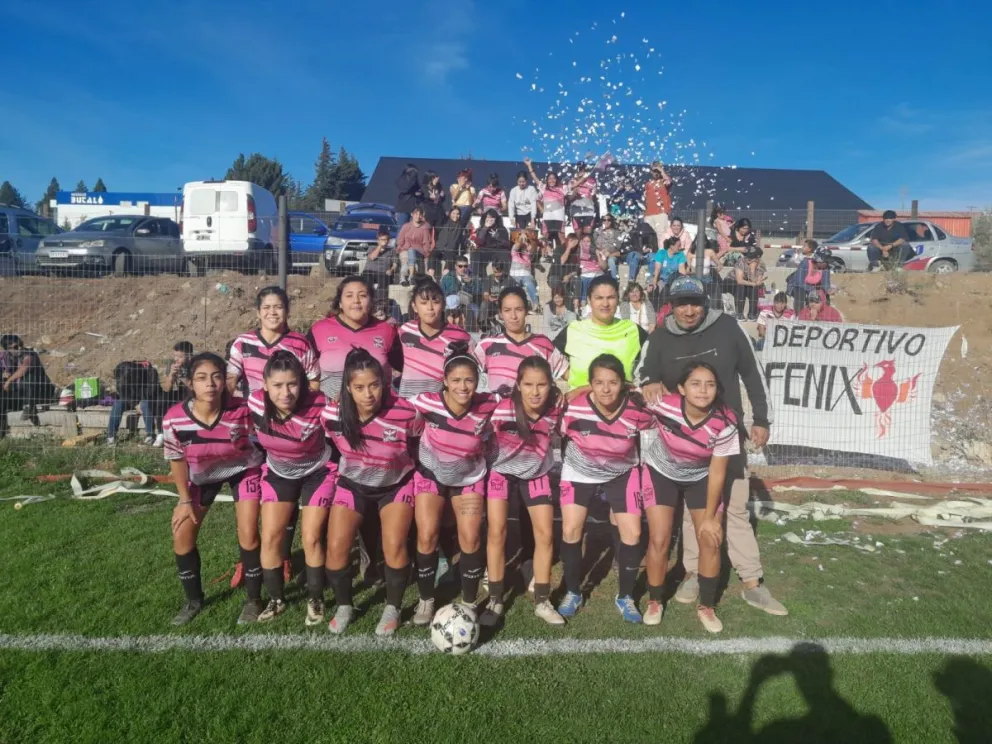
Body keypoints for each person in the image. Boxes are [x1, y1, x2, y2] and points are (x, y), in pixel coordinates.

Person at [638, 275, 787, 617]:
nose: (689, 311)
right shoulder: (659, 337)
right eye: (681, 304)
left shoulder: (728, 328)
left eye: (695, 303)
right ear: (670, 307)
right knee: (695, 516)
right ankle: (693, 572)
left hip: (726, 436)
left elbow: (752, 372)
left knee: (734, 509)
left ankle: (752, 582)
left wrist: (761, 419)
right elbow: (641, 373)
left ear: (705, 303)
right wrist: (649, 382)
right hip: (684, 445)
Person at [322, 349, 422, 636]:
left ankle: (393, 607)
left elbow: (416, 442)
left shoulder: (406, 412)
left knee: (394, 546)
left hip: (395, 485)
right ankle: (345, 605)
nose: (368, 394)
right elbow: (330, 446)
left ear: (384, 382)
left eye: (374, 385)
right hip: (353, 485)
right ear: (348, 387)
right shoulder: (331, 414)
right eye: (359, 387)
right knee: (337, 549)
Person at [164, 353, 265, 625]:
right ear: (190, 383)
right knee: (181, 535)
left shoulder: (243, 409)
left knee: (248, 534)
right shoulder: (175, 418)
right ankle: (193, 600)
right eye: (201, 378)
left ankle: (254, 600)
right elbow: (176, 459)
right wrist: (184, 500)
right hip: (201, 476)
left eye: (216, 376)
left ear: (225, 381)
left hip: (243, 469)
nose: (209, 384)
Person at [557, 354, 656, 622]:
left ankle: (625, 596)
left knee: (633, 533)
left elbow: (659, 419)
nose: (605, 389)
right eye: (598, 382)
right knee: (570, 529)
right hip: (580, 470)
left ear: (622, 383)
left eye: (612, 382)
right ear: (589, 384)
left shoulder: (636, 409)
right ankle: (574, 591)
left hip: (622, 472)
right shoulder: (572, 407)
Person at [641, 362, 739, 633]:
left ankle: (707, 605)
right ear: (682, 388)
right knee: (659, 538)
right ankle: (655, 600)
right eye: (695, 383)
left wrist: (710, 518)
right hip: (661, 471)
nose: (703, 390)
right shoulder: (663, 404)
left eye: (710, 384)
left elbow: (718, 471)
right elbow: (615, 391)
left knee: (709, 539)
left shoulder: (726, 421)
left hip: (700, 477)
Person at [409, 342, 499, 625]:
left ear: (478, 381)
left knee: (471, 538)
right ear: (445, 381)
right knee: (426, 536)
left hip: (469, 479)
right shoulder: (425, 402)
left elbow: (520, 400)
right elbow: (396, 416)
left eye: (469, 380)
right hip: (431, 475)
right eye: (456, 380)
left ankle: (469, 602)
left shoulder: (488, 404)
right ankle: (426, 600)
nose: (463, 386)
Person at [247, 351, 335, 624]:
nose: (286, 392)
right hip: (278, 472)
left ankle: (316, 598)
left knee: (311, 537)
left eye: (292, 383)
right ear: (264, 385)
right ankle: (276, 599)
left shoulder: (320, 403)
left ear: (303, 383)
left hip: (317, 472)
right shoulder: (254, 403)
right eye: (277, 385)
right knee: (271, 536)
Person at [482, 357, 565, 626]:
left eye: (542, 384)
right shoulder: (499, 408)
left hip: (536, 473)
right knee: (497, 532)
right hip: (501, 473)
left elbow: (582, 393)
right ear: (518, 385)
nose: (535, 391)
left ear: (551, 385)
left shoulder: (556, 408)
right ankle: (495, 600)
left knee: (546, 536)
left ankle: (542, 600)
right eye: (528, 384)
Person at [306, 275, 403, 400]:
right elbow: (303, 370)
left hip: (377, 412)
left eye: (362, 295)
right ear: (340, 302)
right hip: (331, 412)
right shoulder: (320, 329)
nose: (356, 300)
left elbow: (407, 366)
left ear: (371, 301)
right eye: (349, 296)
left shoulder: (387, 331)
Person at [554, 274, 649, 395]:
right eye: (599, 298)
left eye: (611, 297)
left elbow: (655, 362)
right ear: (589, 300)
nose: (605, 304)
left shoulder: (632, 330)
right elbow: (548, 357)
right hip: (580, 406)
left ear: (618, 299)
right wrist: (569, 375)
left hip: (622, 405)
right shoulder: (573, 330)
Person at [227, 287, 319, 397]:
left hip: (289, 411)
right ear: (258, 313)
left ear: (287, 311)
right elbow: (231, 377)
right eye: (266, 307)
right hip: (251, 410)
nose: (272, 312)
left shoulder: (300, 344)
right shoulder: (243, 342)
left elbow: (314, 381)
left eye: (278, 307)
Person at [474, 286, 568, 393]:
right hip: (497, 409)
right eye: (507, 310)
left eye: (519, 309)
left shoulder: (543, 343)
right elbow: (465, 375)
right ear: (500, 313)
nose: (513, 316)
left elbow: (570, 376)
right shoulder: (487, 345)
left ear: (527, 311)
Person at [397, 277, 473, 397]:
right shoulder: (405, 331)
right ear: (414, 306)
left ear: (443, 304)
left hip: (440, 409)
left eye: (436, 302)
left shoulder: (460, 336)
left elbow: (474, 370)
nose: (430, 308)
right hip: (408, 407)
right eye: (423, 302)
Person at [0, 334, 57, 439]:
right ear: (7, 349)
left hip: (41, 391)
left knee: (28, 376)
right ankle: (1, 433)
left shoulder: (29, 354)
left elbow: (24, 368)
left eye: (21, 344)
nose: (20, 348)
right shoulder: (4, 357)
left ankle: (29, 407)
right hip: (22, 393)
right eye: (16, 347)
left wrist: (9, 381)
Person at [524, 158, 566, 253]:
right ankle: (544, 257)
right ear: (547, 180)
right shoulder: (544, 188)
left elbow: (575, 185)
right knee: (545, 238)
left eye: (554, 178)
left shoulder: (563, 188)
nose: (552, 180)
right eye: (549, 178)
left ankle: (561, 256)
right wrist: (529, 165)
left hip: (560, 218)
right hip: (547, 218)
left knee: (561, 238)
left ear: (557, 180)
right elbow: (535, 178)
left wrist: (584, 177)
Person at [396, 206, 435, 286]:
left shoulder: (424, 228)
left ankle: (409, 277)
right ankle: (405, 278)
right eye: (416, 214)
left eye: (419, 214)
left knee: (412, 255)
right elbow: (400, 239)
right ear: (412, 214)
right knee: (405, 258)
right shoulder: (406, 226)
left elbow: (426, 242)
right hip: (405, 249)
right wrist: (401, 248)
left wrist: (426, 254)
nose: (418, 216)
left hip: (418, 251)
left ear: (422, 216)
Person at [789, 244, 834, 311]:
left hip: (813, 287)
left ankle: (824, 314)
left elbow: (826, 283)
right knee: (800, 293)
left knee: (825, 296)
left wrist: (828, 290)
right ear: (819, 260)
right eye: (826, 261)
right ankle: (798, 315)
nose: (827, 263)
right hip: (798, 286)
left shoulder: (825, 268)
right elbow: (799, 282)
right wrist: (812, 290)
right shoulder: (805, 264)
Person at [362, 225, 399, 301]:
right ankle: (368, 299)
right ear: (378, 240)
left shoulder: (391, 250)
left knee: (384, 283)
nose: (384, 241)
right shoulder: (372, 248)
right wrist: (379, 247)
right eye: (382, 239)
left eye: (386, 239)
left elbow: (395, 264)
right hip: (370, 271)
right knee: (367, 282)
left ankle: (380, 302)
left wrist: (391, 270)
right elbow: (372, 257)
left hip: (383, 272)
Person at [478, 261, 517, 334]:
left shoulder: (510, 280)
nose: (497, 274)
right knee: (484, 304)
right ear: (492, 270)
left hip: (505, 305)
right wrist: (489, 298)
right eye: (495, 272)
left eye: (499, 272)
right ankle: (484, 327)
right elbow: (485, 294)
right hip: (492, 304)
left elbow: (514, 295)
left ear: (503, 270)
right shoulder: (488, 279)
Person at [647, 236, 689, 302]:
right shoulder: (661, 253)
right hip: (661, 279)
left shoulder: (680, 255)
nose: (680, 247)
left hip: (673, 280)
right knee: (655, 289)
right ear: (671, 246)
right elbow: (657, 269)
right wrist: (654, 282)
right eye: (678, 246)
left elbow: (682, 270)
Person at [643, 161, 673, 247]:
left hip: (661, 213)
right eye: (654, 171)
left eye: (658, 171)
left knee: (661, 236)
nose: (656, 173)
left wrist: (661, 170)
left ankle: (661, 256)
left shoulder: (664, 181)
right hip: (648, 214)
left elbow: (668, 182)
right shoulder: (648, 184)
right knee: (649, 236)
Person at [733, 247, 767, 321]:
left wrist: (752, 270)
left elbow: (756, 281)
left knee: (754, 288)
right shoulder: (741, 262)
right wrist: (753, 283)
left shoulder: (761, 265)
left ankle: (752, 314)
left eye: (750, 258)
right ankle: (739, 314)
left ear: (757, 259)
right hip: (733, 284)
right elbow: (739, 280)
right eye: (747, 256)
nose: (747, 259)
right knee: (741, 286)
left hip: (748, 285)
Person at [509, 231, 541, 309]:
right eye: (521, 239)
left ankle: (536, 304)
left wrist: (530, 249)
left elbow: (532, 253)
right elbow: (517, 245)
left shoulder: (528, 252)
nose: (524, 241)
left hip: (526, 275)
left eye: (525, 239)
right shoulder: (514, 249)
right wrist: (521, 239)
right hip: (514, 275)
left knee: (529, 283)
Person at [577, 233, 605, 306]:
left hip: (597, 273)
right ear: (581, 241)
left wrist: (598, 255)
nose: (586, 243)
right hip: (584, 274)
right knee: (584, 281)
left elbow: (604, 266)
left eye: (588, 241)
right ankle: (583, 303)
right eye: (584, 241)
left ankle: (593, 302)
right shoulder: (578, 251)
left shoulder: (596, 251)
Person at [568, 163, 598, 233]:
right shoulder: (572, 181)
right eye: (579, 169)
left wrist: (592, 196)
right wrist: (574, 193)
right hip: (576, 211)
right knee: (578, 236)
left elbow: (594, 196)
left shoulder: (592, 181)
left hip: (589, 210)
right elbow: (569, 198)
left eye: (583, 169)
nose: (581, 171)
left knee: (587, 236)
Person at [394, 163, 422, 230]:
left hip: (413, 208)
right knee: (402, 230)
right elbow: (405, 189)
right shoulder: (401, 180)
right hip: (403, 209)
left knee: (413, 231)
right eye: (413, 172)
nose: (415, 174)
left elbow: (418, 190)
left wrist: (419, 193)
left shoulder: (415, 181)